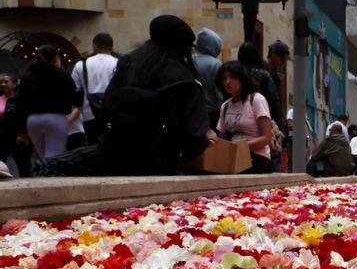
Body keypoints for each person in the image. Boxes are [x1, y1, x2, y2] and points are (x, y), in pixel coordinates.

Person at [34, 15, 212, 176]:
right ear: (183, 47)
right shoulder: (184, 79)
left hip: (112, 149)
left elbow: (107, 105)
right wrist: (205, 138)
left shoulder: (129, 64)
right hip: (157, 161)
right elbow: (193, 136)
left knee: (47, 166)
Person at [17, 45, 78, 159]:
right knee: (53, 156)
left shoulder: (28, 75)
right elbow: (74, 98)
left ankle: (42, 173)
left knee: (42, 155)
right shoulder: (62, 75)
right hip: (56, 118)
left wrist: (22, 130)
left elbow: (20, 103)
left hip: (33, 120)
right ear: (56, 59)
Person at [211, 61, 273, 174]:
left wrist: (239, 147)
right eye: (224, 78)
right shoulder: (225, 106)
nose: (227, 82)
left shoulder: (256, 99)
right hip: (233, 158)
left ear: (242, 79)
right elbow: (222, 138)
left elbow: (267, 138)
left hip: (257, 158)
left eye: (232, 77)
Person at [238, 42, 283, 170]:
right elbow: (275, 101)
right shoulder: (264, 74)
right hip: (263, 121)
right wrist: (276, 126)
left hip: (241, 124)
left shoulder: (237, 75)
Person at [70, 33, 118, 144]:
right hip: (112, 113)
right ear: (112, 47)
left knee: (93, 146)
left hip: (89, 114)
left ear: (94, 46)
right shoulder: (118, 63)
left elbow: (74, 91)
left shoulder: (81, 65)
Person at [0, 72, 33, 177]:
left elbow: (27, 117)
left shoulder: (21, 100)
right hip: (2, 138)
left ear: (14, 84)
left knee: (24, 168)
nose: (3, 84)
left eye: (6, 82)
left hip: (19, 138)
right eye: (1, 82)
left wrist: (25, 134)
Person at [193, 28, 223, 130]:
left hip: (193, 110)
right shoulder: (216, 64)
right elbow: (219, 92)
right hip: (212, 113)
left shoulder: (189, 60)